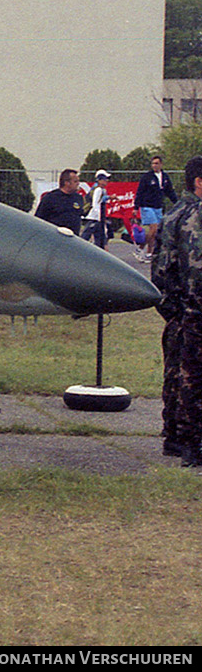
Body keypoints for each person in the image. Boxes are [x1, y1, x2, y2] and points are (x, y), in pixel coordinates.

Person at [149, 154, 202, 467]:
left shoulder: (174, 213)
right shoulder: (196, 216)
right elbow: (198, 270)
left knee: (175, 372)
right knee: (193, 378)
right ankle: (193, 445)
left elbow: (160, 269)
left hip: (177, 308)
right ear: (199, 182)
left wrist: (174, 308)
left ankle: (173, 435)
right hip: (195, 309)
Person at [136, 155, 177, 259]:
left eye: (156, 163)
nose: (154, 165)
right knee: (153, 228)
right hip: (147, 206)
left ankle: (150, 253)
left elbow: (170, 192)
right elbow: (140, 192)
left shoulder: (165, 177)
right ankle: (140, 249)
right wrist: (136, 207)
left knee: (157, 232)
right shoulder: (147, 177)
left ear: (161, 164)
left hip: (158, 206)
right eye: (153, 163)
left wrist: (177, 203)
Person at [34, 168, 84, 234]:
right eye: (75, 181)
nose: (78, 184)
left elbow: (80, 214)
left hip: (73, 238)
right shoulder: (51, 198)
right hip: (55, 237)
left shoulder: (78, 198)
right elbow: (39, 219)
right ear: (67, 183)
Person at [80, 170, 110, 249]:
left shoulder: (98, 189)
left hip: (96, 217)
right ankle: (80, 248)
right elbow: (95, 203)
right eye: (104, 179)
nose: (106, 181)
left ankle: (100, 249)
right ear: (99, 180)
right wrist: (98, 216)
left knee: (99, 236)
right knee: (86, 235)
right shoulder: (98, 189)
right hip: (93, 217)